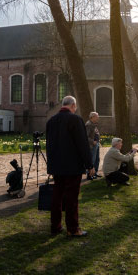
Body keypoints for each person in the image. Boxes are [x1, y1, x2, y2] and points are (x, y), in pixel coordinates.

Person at [45, 96, 92, 237]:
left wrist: (51, 164)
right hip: (72, 166)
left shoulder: (51, 121)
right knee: (72, 198)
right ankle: (72, 228)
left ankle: (55, 226)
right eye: (75, 107)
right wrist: (89, 164)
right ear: (73, 105)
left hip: (57, 165)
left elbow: (49, 145)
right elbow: (82, 144)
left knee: (57, 196)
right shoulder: (75, 120)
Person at [84, 112, 101, 180]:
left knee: (97, 159)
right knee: (92, 160)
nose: (98, 118)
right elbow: (85, 136)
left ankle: (95, 173)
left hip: (96, 144)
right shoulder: (88, 124)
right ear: (92, 117)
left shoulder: (94, 124)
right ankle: (89, 175)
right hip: (92, 145)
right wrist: (92, 141)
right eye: (97, 116)